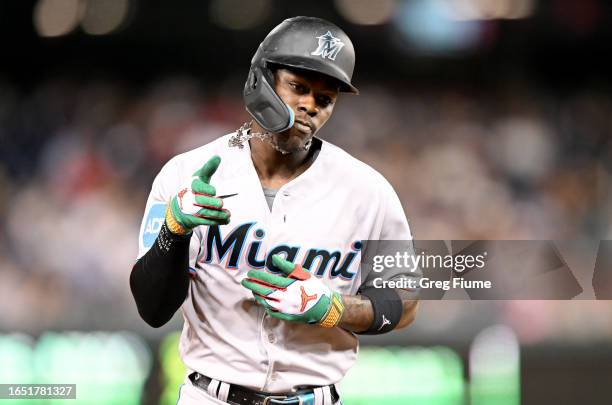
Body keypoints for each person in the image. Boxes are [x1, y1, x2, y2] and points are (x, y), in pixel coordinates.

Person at [130, 16, 419, 405]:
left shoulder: (369, 190)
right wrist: (173, 231)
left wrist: (334, 308)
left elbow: (407, 301)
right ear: (261, 80)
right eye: (298, 87)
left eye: (324, 99)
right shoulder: (186, 173)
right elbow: (152, 309)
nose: (309, 106)